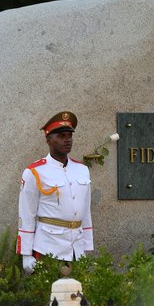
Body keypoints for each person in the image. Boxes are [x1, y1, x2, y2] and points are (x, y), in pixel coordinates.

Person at [17, 111, 93, 273]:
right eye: (61, 136)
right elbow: (27, 213)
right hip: (48, 247)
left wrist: (87, 246)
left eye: (69, 135)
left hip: (76, 249)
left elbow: (85, 211)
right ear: (48, 140)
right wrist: (26, 254)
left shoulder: (82, 170)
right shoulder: (35, 171)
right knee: (48, 296)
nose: (67, 140)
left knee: (76, 296)